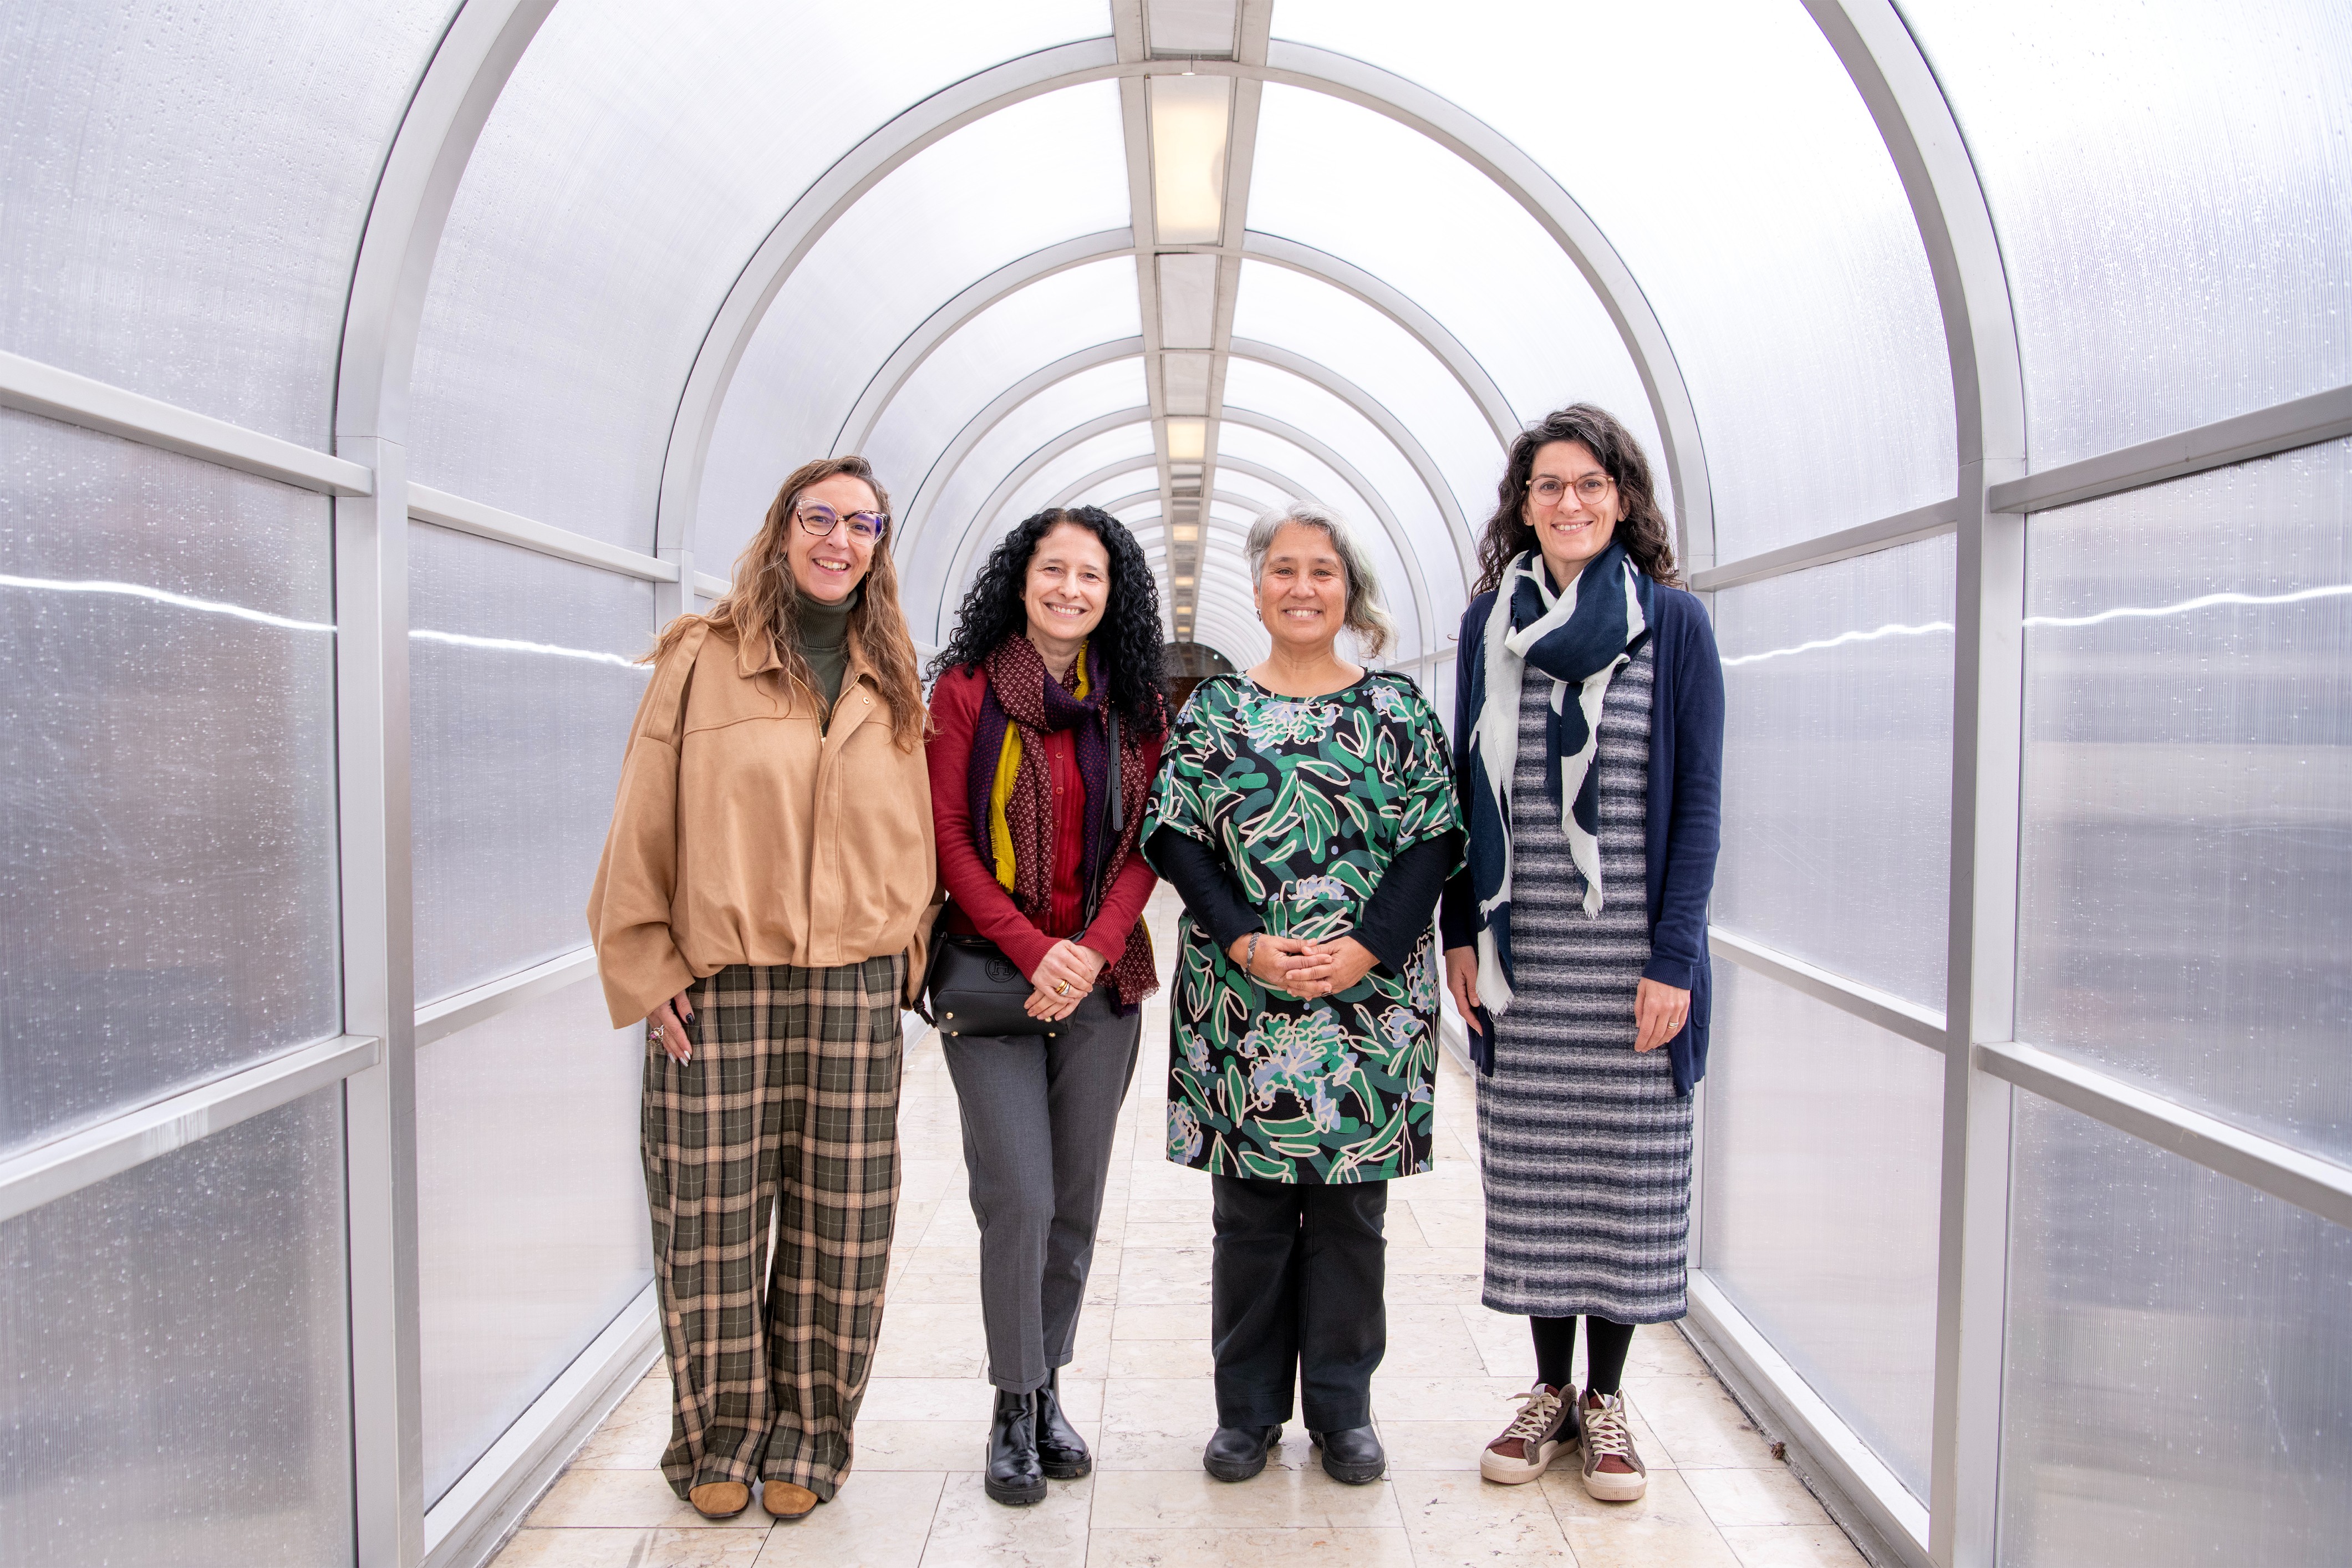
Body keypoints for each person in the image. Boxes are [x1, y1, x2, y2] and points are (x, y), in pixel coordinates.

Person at [585, 456, 935, 1523]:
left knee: (844, 1226)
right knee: (710, 1225)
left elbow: (915, 829)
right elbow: (642, 816)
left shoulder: (892, 672)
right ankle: (718, 1438)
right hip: (722, 984)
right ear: (782, 530)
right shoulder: (703, 657)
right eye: (818, 518)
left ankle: (811, 1438)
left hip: (853, 990)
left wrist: (905, 955)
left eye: (862, 525)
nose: (839, 540)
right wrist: (647, 963)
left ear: (878, 547)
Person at [1144, 501, 1462, 1488]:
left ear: (1348, 592)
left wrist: (1366, 950)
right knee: (1247, 1219)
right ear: (1257, 590)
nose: (1301, 587)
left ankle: (1341, 1411)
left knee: (1348, 1219)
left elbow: (1433, 840)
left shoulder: (1398, 712)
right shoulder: (1214, 711)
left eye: (1321, 571)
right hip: (1241, 1005)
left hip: (1368, 1009)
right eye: (1283, 569)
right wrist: (1244, 940)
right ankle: (1244, 1415)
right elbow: (1174, 836)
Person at [1439, 405, 1723, 1501]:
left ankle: (1606, 1399)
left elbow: (1698, 804)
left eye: (1589, 484)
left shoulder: (1674, 625)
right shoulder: (1489, 623)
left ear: (1622, 499)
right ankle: (1548, 1391)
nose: (1568, 503)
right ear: (1524, 505)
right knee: (1537, 1181)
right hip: (1525, 958)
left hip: (1632, 966)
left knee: (1625, 1184)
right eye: (1548, 485)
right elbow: (1465, 789)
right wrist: (1460, 931)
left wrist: (1675, 959)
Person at [924, 506, 1168, 1507]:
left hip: (1101, 985)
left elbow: (1150, 839)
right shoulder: (966, 691)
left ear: (1114, 594)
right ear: (1020, 581)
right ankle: (1010, 1401)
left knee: (1073, 1201)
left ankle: (1044, 1389)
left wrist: (1092, 948)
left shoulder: (1136, 706)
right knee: (1018, 1198)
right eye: (1053, 570)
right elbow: (947, 835)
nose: (1071, 589)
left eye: (1091, 575)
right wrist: (1035, 951)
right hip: (991, 978)